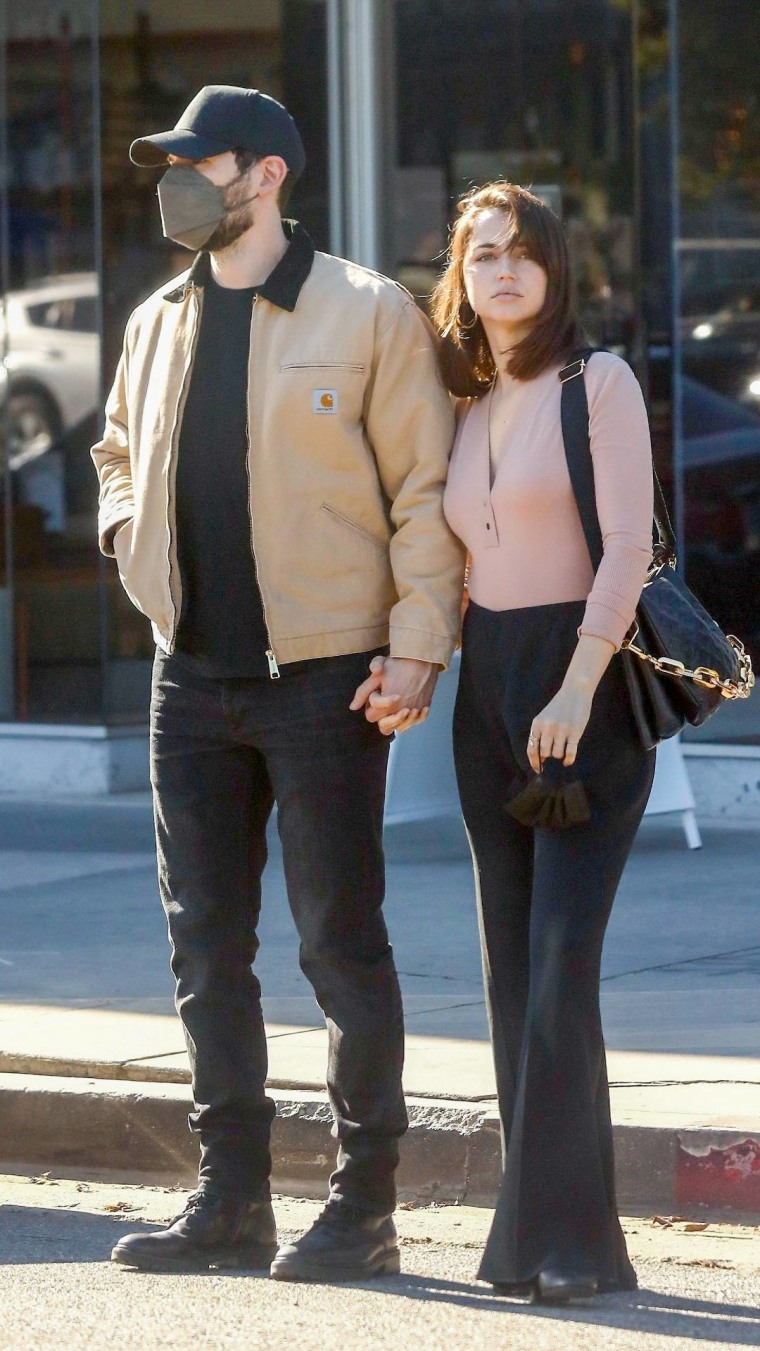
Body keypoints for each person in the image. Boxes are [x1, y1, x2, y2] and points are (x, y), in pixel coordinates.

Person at [91, 85, 464, 1281]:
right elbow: (114, 451)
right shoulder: (157, 318)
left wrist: (415, 645)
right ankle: (230, 1200)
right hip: (187, 680)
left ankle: (363, 1206)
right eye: (172, 162)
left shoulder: (363, 310)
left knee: (338, 945)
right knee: (206, 947)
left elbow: (424, 492)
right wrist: (126, 542)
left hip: (324, 679)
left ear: (267, 176)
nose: (177, 181)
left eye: (199, 162)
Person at [429, 181, 655, 1302]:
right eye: (482, 256)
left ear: (555, 269)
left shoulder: (596, 383)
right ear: (460, 277)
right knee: (513, 974)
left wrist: (574, 686)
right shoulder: (463, 403)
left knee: (562, 971)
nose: (503, 271)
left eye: (522, 253)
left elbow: (625, 549)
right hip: (486, 696)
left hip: (585, 693)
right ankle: (550, 1243)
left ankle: (565, 1242)